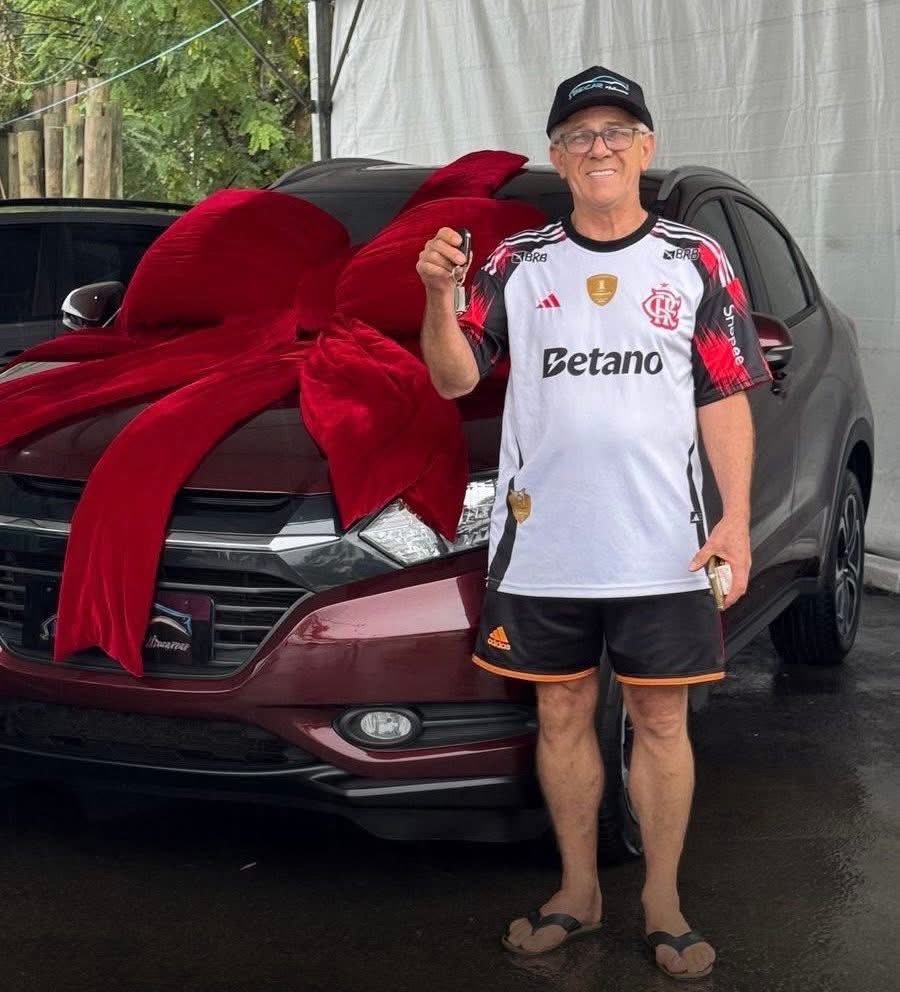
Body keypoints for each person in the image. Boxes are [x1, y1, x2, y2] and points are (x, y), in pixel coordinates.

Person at [415, 65, 771, 981]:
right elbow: (455, 378)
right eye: (579, 136)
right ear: (557, 156)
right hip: (544, 545)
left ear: (646, 149)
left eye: (616, 132)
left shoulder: (696, 258)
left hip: (665, 545)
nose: (599, 147)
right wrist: (436, 299)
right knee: (562, 709)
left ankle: (663, 901)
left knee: (660, 718)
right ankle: (578, 892)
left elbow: (725, 395)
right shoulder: (515, 263)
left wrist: (734, 521)